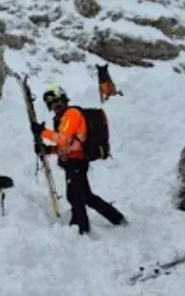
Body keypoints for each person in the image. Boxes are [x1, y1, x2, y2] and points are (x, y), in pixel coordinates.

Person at [32, 84, 127, 235]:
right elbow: (67, 144)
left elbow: (63, 139)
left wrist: (43, 132)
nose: (55, 106)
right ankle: (112, 219)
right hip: (71, 162)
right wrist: (49, 149)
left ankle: (81, 227)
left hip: (77, 162)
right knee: (84, 196)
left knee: (76, 196)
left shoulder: (72, 114)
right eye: (51, 104)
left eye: (57, 101)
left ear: (63, 99)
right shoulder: (61, 118)